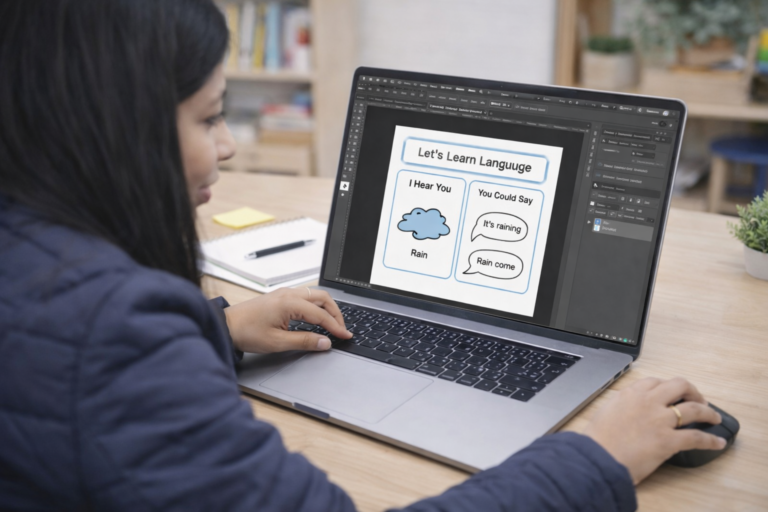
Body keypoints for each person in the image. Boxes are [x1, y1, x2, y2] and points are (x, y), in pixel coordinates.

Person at [0, 1, 727, 510]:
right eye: (211, 116)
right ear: (112, 125)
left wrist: (218, 329)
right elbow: (105, 362)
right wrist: (601, 455)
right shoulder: (112, 329)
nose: (227, 147)